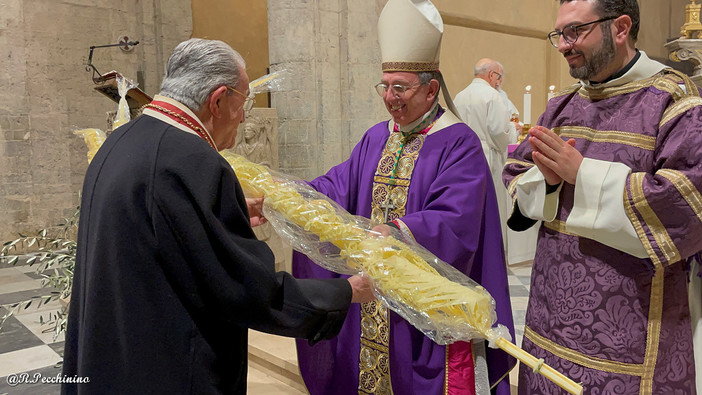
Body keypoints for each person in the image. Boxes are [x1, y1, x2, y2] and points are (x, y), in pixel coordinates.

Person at [61, 38, 373, 394]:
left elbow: (166, 235)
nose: (243, 116)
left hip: (119, 354)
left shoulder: (121, 141)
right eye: (243, 103)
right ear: (219, 99)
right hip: (170, 368)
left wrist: (228, 214)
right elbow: (246, 289)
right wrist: (344, 292)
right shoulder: (195, 162)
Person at [293, 1, 515, 394]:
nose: (390, 98)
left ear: (431, 88)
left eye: (401, 88)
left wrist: (397, 230)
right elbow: (340, 183)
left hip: (423, 310)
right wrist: (292, 198)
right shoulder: (378, 136)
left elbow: (457, 220)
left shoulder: (458, 142)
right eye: (385, 86)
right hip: (371, 297)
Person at [503, 0, 702, 392]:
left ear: (621, 27)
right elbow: (518, 175)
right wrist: (547, 181)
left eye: (574, 31)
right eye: (559, 34)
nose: (562, 44)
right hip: (549, 326)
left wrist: (582, 174)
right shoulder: (561, 105)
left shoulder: (674, 102)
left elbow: (687, 203)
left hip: (631, 339)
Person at [454, 58, 519, 247]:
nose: (499, 82)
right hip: (488, 157)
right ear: (492, 75)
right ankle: (493, 252)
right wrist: (513, 130)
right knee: (492, 207)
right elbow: (499, 131)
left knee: (469, 207)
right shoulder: (492, 95)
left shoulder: (460, 96)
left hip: (463, 157)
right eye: (499, 77)